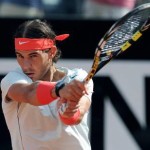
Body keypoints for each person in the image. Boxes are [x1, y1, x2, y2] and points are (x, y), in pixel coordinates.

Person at [0, 19, 94, 150]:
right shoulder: (12, 80)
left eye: (33, 56)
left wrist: (70, 111)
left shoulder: (79, 77)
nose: (26, 65)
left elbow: (76, 116)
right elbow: (29, 93)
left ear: (51, 52)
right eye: (20, 56)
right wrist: (59, 89)